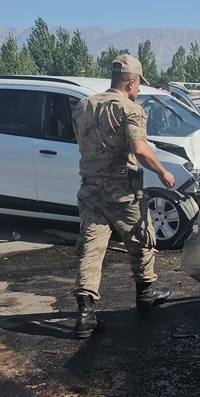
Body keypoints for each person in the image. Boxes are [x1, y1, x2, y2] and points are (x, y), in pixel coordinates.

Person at [71, 54, 175, 340]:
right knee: (142, 239)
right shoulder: (130, 109)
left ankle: (85, 313)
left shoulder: (83, 106)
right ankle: (146, 293)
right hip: (122, 191)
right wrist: (163, 172)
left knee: (91, 247)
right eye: (139, 84)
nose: (139, 89)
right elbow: (139, 149)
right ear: (132, 82)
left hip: (90, 189)